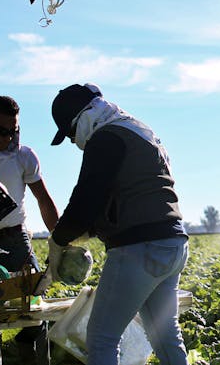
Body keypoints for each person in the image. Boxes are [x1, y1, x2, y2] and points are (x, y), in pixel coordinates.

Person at [47, 84, 189, 365]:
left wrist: (58, 239)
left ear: (81, 119)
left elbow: (85, 201)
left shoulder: (107, 138)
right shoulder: (139, 131)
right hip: (173, 243)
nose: (75, 141)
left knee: (101, 337)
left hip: (139, 248)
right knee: (164, 333)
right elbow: (120, 197)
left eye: (71, 133)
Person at [0, 95, 58, 364]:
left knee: (35, 305)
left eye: (13, 131)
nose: (8, 137)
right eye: (1, 131)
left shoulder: (24, 156)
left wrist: (60, 239)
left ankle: (33, 358)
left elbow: (44, 199)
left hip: (14, 238)